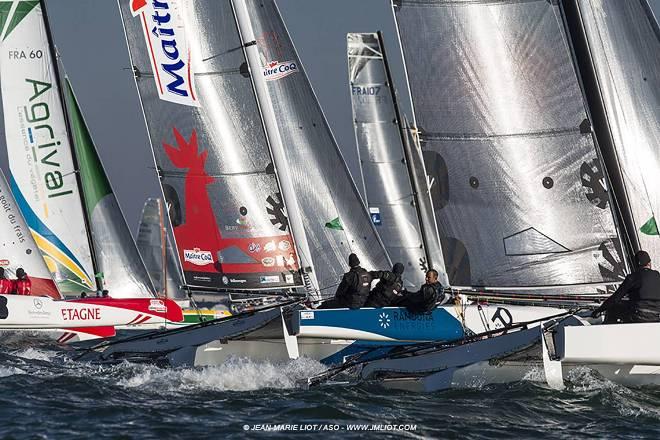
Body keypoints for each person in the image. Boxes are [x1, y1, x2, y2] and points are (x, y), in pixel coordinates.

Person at [592, 250, 660, 323]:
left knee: (613, 307)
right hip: (656, 316)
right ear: (649, 263)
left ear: (635, 265)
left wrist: (599, 310)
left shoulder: (632, 277)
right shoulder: (657, 275)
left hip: (637, 316)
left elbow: (615, 298)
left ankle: (607, 330)